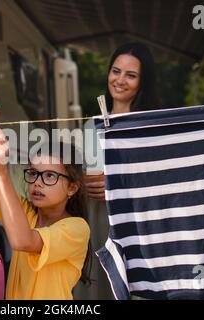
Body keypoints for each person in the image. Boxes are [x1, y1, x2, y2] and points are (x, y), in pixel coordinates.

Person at [0, 94, 92, 300]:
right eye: (34, 173)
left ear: (72, 188)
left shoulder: (77, 228)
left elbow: (23, 241)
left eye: (50, 176)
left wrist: (2, 174)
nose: (37, 182)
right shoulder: (26, 212)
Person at [75, 42, 161, 299]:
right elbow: (80, 177)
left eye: (131, 75)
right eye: (116, 71)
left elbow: (164, 183)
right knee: (98, 291)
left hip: (137, 233)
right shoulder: (90, 126)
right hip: (96, 226)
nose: (120, 80)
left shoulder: (150, 128)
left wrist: (117, 185)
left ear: (143, 82)